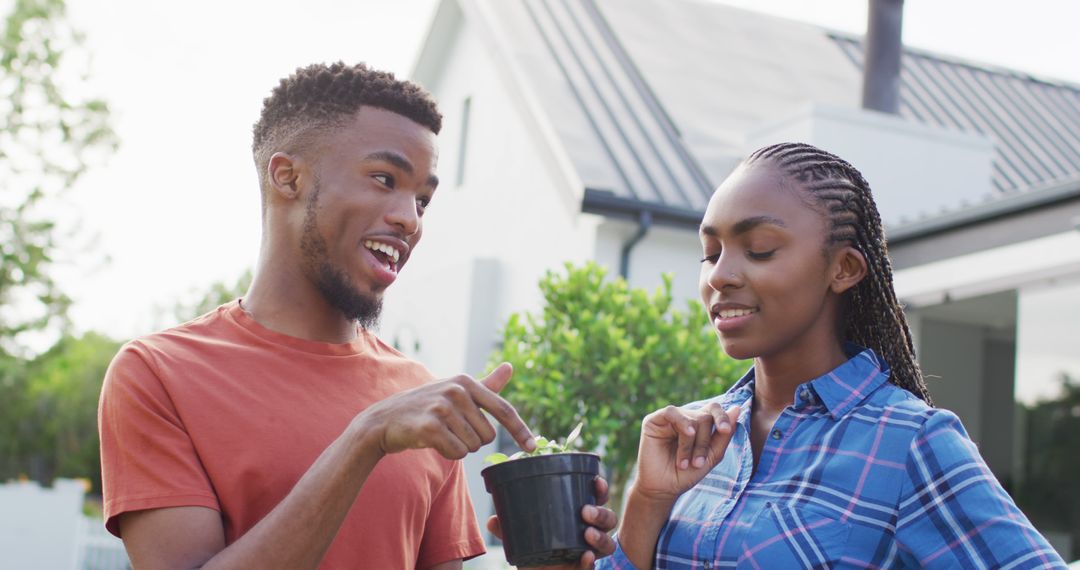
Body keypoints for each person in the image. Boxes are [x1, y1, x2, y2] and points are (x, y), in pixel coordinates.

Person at [98, 62, 616, 569]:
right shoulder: (158, 373)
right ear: (288, 176)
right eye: (384, 178)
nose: (408, 219)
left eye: (423, 200)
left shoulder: (419, 397)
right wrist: (365, 437)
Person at [599, 143, 1067, 569]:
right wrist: (648, 497)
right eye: (711, 252)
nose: (720, 276)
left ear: (843, 268)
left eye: (758, 249)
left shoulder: (908, 441)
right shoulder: (693, 434)